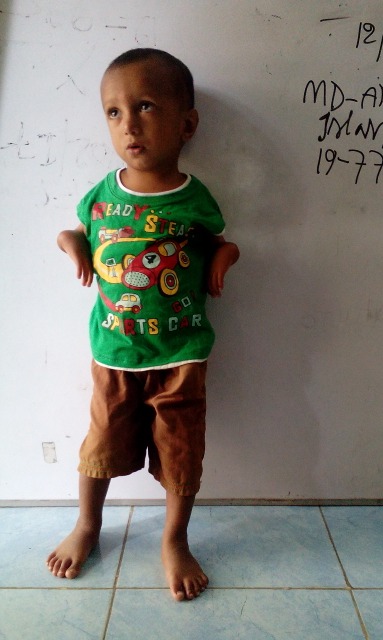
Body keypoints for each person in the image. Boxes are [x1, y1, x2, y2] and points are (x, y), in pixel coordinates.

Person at [46, 48, 239, 601]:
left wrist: (224, 260)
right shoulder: (103, 194)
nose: (128, 124)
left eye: (146, 106)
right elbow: (74, 231)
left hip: (182, 355)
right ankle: (88, 524)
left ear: (187, 125)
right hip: (116, 353)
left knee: (181, 450)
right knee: (101, 443)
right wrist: (72, 246)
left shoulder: (195, 198)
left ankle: (174, 539)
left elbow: (222, 243)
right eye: (114, 112)